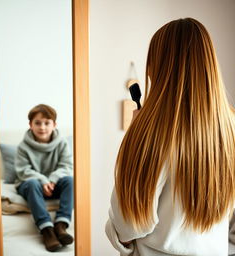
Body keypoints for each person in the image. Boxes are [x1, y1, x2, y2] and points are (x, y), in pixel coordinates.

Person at [106, 18, 235, 256]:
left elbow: (130, 225)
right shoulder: (231, 127)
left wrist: (133, 142)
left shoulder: (151, 130)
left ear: (159, 66)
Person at [15, 104, 74, 252]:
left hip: (54, 184)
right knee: (33, 182)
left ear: (54, 124)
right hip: (32, 186)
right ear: (30, 125)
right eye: (37, 123)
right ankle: (47, 230)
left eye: (47, 123)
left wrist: (52, 179)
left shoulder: (62, 143)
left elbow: (67, 165)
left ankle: (61, 225)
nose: (42, 127)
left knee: (70, 181)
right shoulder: (23, 146)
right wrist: (43, 180)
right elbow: (23, 171)